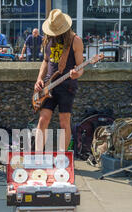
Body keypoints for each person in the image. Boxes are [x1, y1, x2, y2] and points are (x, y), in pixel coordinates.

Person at [33, 9, 84, 152]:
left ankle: (62, 157)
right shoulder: (48, 38)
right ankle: (37, 157)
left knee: (64, 123)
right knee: (42, 120)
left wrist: (76, 74)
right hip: (49, 86)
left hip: (67, 86)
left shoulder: (75, 40)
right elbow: (45, 61)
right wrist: (39, 80)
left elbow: (81, 67)